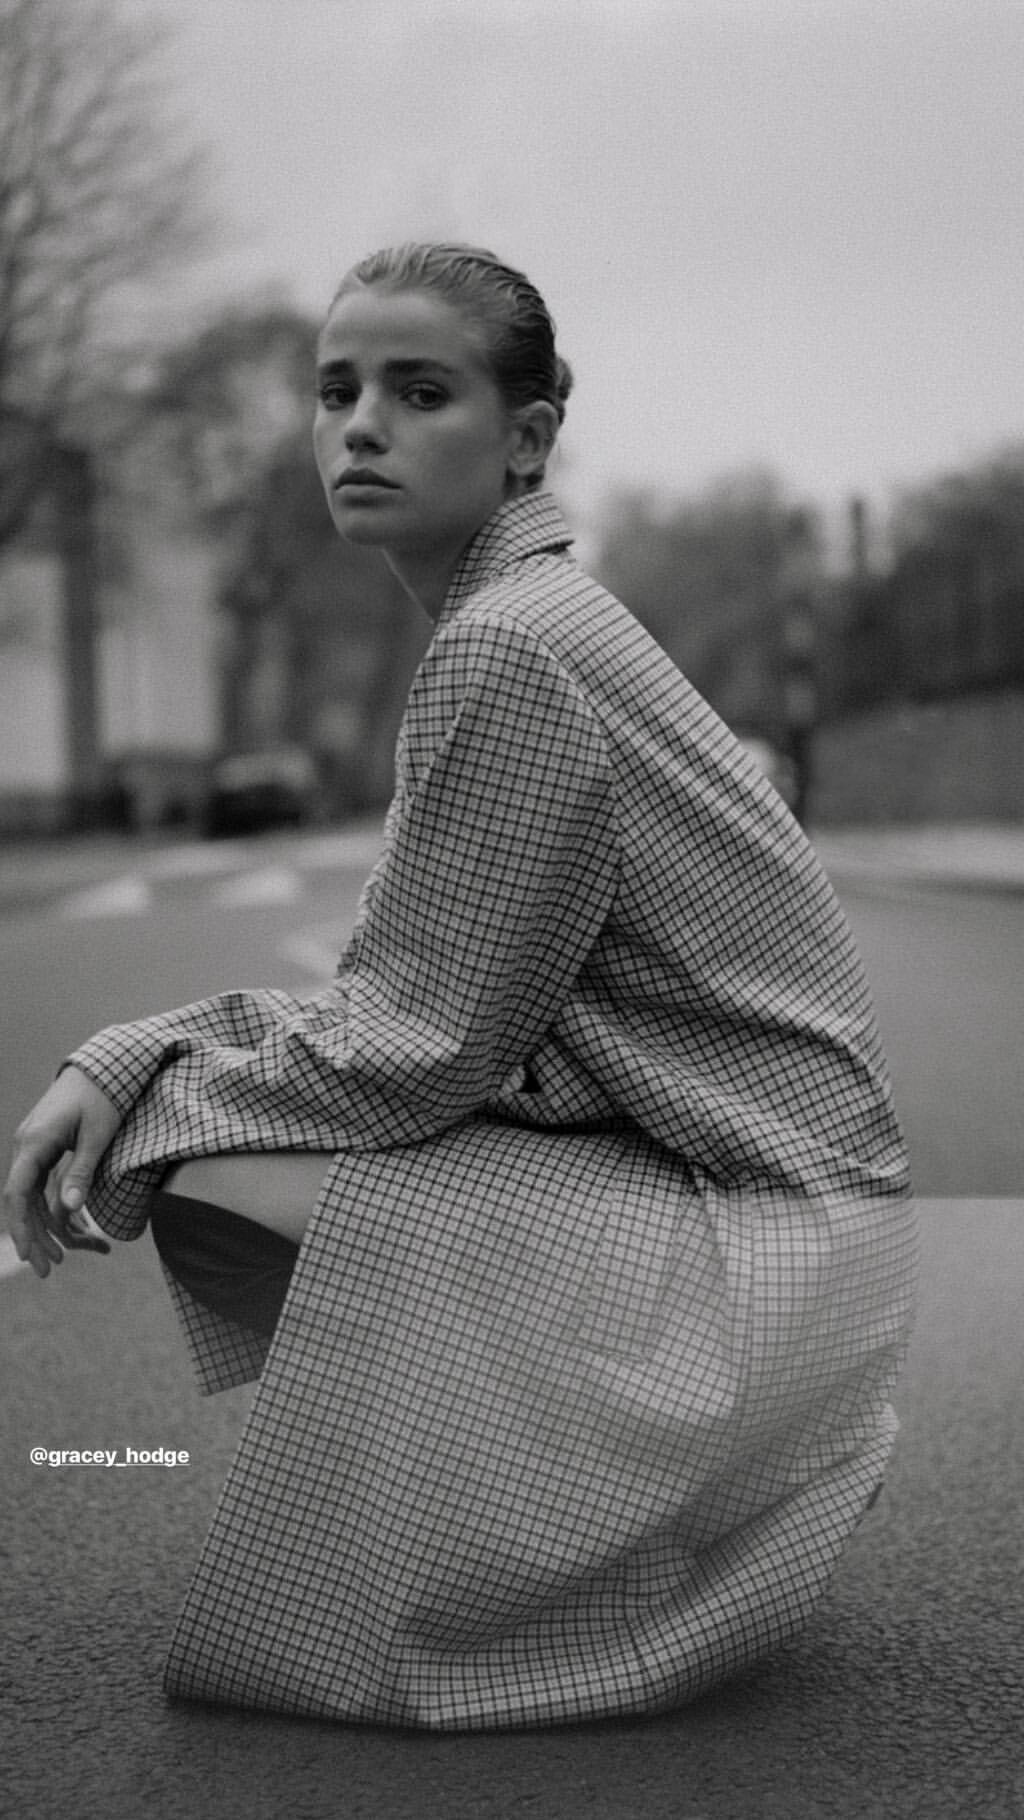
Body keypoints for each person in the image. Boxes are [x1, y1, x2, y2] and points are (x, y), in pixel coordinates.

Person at [4, 243, 917, 1732]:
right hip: (804, 1229)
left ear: (527, 439)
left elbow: (413, 1050)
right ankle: (563, 1519)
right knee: (259, 1142)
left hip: (766, 1248)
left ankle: (599, 1534)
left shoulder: (509, 648)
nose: (360, 426)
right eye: (336, 390)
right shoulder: (529, 618)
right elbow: (431, 1003)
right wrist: (145, 1048)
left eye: (420, 393)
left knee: (218, 1166)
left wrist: (139, 1075)